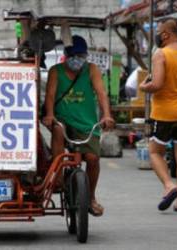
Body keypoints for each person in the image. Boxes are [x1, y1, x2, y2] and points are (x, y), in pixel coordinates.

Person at [42, 35, 114, 216]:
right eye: (73, 55)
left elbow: (101, 93)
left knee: (92, 159)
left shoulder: (91, 69)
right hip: (63, 119)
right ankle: (58, 177)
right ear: (66, 55)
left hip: (86, 123)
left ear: (85, 56)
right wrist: (50, 115)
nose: (77, 60)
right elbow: (50, 96)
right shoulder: (55, 71)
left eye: (81, 56)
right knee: (58, 130)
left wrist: (106, 115)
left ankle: (90, 197)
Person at [139, 18, 177, 212]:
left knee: (155, 152)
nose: (157, 35)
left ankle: (169, 185)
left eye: (158, 31)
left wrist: (143, 86)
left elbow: (156, 84)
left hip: (165, 114)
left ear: (166, 34)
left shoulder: (161, 54)